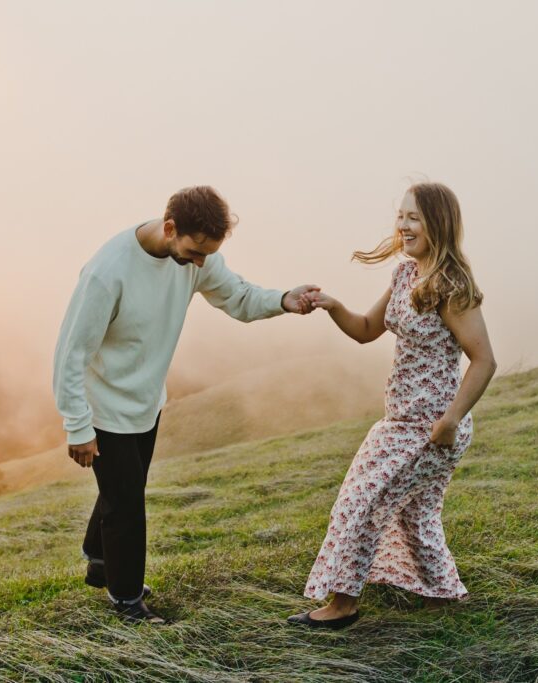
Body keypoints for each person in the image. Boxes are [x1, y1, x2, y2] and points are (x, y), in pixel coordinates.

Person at [53, 186, 318, 623]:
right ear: (170, 227)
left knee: (126, 488)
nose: (200, 264)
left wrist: (284, 301)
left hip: (146, 402)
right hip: (104, 408)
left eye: (207, 255)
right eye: (195, 252)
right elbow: (70, 354)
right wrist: (78, 426)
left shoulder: (199, 257)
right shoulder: (108, 272)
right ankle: (126, 599)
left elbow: (237, 295)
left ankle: (99, 560)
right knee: (126, 508)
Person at [288, 182, 496, 629]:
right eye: (400, 215)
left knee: (361, 500)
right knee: (415, 513)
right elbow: (366, 328)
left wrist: (451, 420)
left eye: (413, 217)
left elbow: (484, 361)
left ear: (437, 224)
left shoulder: (450, 287)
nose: (402, 225)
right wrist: (332, 305)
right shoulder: (405, 275)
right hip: (398, 421)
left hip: (432, 427)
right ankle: (441, 597)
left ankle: (343, 605)